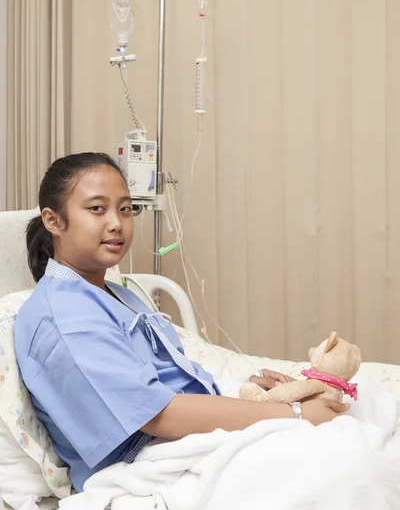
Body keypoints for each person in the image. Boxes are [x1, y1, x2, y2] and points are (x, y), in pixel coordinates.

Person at [14, 153, 349, 493]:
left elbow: (167, 379)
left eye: (126, 208)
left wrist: (246, 391)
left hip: (179, 440)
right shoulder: (63, 316)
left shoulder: (111, 293)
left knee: (363, 426)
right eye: (97, 209)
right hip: (147, 463)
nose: (116, 222)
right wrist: (293, 415)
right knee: (345, 459)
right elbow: (157, 415)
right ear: (54, 221)